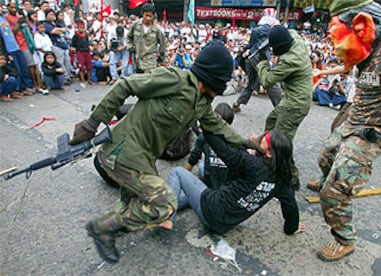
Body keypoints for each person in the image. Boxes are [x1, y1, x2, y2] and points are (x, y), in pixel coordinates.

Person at [68, 41, 262, 264]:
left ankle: (115, 229)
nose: (224, 87)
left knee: (135, 198)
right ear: (212, 77)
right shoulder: (175, 80)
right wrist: (92, 123)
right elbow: (125, 85)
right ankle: (102, 229)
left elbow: (218, 126)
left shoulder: (202, 102)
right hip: (122, 153)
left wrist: (247, 142)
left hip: (144, 157)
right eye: (222, 80)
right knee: (165, 202)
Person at [311, 0, 381, 262]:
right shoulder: (366, 50)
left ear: (364, 28)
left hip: (372, 134)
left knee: (334, 192)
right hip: (353, 122)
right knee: (324, 157)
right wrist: (323, 70)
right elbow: (347, 67)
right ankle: (328, 180)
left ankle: (344, 240)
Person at [167, 129, 305, 236]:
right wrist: (291, 228)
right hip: (225, 225)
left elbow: (224, 151)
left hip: (210, 208)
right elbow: (290, 207)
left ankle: (166, 217)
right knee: (186, 195)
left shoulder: (252, 164)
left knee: (178, 172)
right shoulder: (282, 180)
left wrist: (207, 130)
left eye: (262, 141)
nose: (259, 139)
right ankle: (165, 204)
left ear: (269, 153)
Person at [256, 25, 313, 191]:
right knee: (271, 122)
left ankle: (291, 178)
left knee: (280, 142)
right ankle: (266, 159)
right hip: (290, 98)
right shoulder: (294, 36)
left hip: (295, 104)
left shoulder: (291, 59)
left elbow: (267, 81)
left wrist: (261, 63)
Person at [231, 8, 281, 113]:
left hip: (250, 59)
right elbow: (263, 45)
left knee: (251, 83)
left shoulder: (256, 29)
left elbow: (250, 45)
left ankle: (237, 104)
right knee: (271, 82)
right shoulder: (273, 28)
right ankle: (280, 109)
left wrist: (249, 52)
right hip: (260, 57)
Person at [185, 103, 235, 189]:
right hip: (228, 185)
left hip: (210, 184)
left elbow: (194, 157)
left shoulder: (204, 137)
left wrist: (184, 173)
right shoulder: (235, 139)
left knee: (201, 165)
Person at [126, 3, 168, 73]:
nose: (148, 18)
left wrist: (165, 60)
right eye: (146, 15)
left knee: (148, 81)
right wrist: (130, 46)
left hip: (150, 61)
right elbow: (128, 37)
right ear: (142, 14)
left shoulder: (157, 29)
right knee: (137, 81)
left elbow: (163, 46)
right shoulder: (136, 25)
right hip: (137, 59)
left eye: (150, 16)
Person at [71, 20, 94, 88]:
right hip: (79, 52)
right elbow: (73, 45)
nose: (82, 29)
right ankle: (83, 80)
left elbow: (87, 43)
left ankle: (89, 80)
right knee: (81, 67)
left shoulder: (86, 35)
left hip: (87, 51)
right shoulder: (75, 36)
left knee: (89, 66)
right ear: (77, 28)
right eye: (80, 28)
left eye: (83, 28)